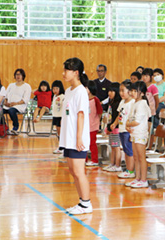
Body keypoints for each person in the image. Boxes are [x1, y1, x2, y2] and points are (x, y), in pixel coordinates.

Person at [60, 57, 91, 215]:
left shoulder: (81, 91)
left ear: (76, 72)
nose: (63, 73)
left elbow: (80, 115)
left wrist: (79, 138)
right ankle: (81, 202)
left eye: (66, 70)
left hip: (77, 139)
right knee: (73, 171)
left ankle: (86, 204)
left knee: (79, 172)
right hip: (69, 138)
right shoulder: (68, 91)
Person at [125, 81, 151, 188]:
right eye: (132, 90)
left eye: (136, 91)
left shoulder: (142, 104)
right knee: (136, 157)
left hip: (140, 133)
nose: (132, 93)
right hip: (134, 133)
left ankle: (144, 180)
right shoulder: (135, 103)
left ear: (143, 93)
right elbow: (130, 119)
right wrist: (127, 125)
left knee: (141, 157)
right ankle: (137, 178)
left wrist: (128, 124)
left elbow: (136, 122)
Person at [106, 80, 135, 178]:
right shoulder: (122, 102)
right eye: (120, 91)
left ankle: (130, 171)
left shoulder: (132, 102)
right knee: (126, 151)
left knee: (129, 151)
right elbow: (119, 115)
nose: (121, 93)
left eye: (123, 90)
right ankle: (127, 169)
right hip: (121, 130)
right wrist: (114, 123)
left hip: (128, 131)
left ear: (130, 91)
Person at [3, 69, 31, 135]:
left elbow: (25, 99)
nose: (18, 76)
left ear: (23, 76)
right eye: (16, 74)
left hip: (19, 105)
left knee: (11, 111)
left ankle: (15, 127)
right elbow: (5, 95)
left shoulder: (27, 86)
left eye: (19, 74)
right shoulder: (11, 85)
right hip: (8, 105)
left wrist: (15, 103)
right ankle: (4, 127)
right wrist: (5, 102)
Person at [84, 81, 103, 167]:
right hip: (84, 125)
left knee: (92, 143)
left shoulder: (95, 100)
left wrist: (96, 122)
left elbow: (99, 112)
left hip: (92, 125)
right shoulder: (83, 99)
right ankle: (84, 159)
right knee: (84, 143)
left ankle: (94, 160)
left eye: (86, 88)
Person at [105, 82, 123, 170]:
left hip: (116, 128)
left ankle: (117, 165)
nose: (109, 93)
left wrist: (112, 126)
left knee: (116, 147)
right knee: (112, 146)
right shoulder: (111, 102)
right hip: (111, 127)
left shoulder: (118, 103)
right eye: (109, 91)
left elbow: (118, 117)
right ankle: (112, 163)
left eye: (112, 91)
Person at [51, 80, 65, 154]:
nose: (55, 90)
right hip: (55, 116)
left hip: (60, 116)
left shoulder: (63, 97)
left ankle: (62, 147)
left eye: (56, 89)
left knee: (61, 132)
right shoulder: (54, 96)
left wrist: (63, 117)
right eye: (53, 89)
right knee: (58, 132)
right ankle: (61, 146)